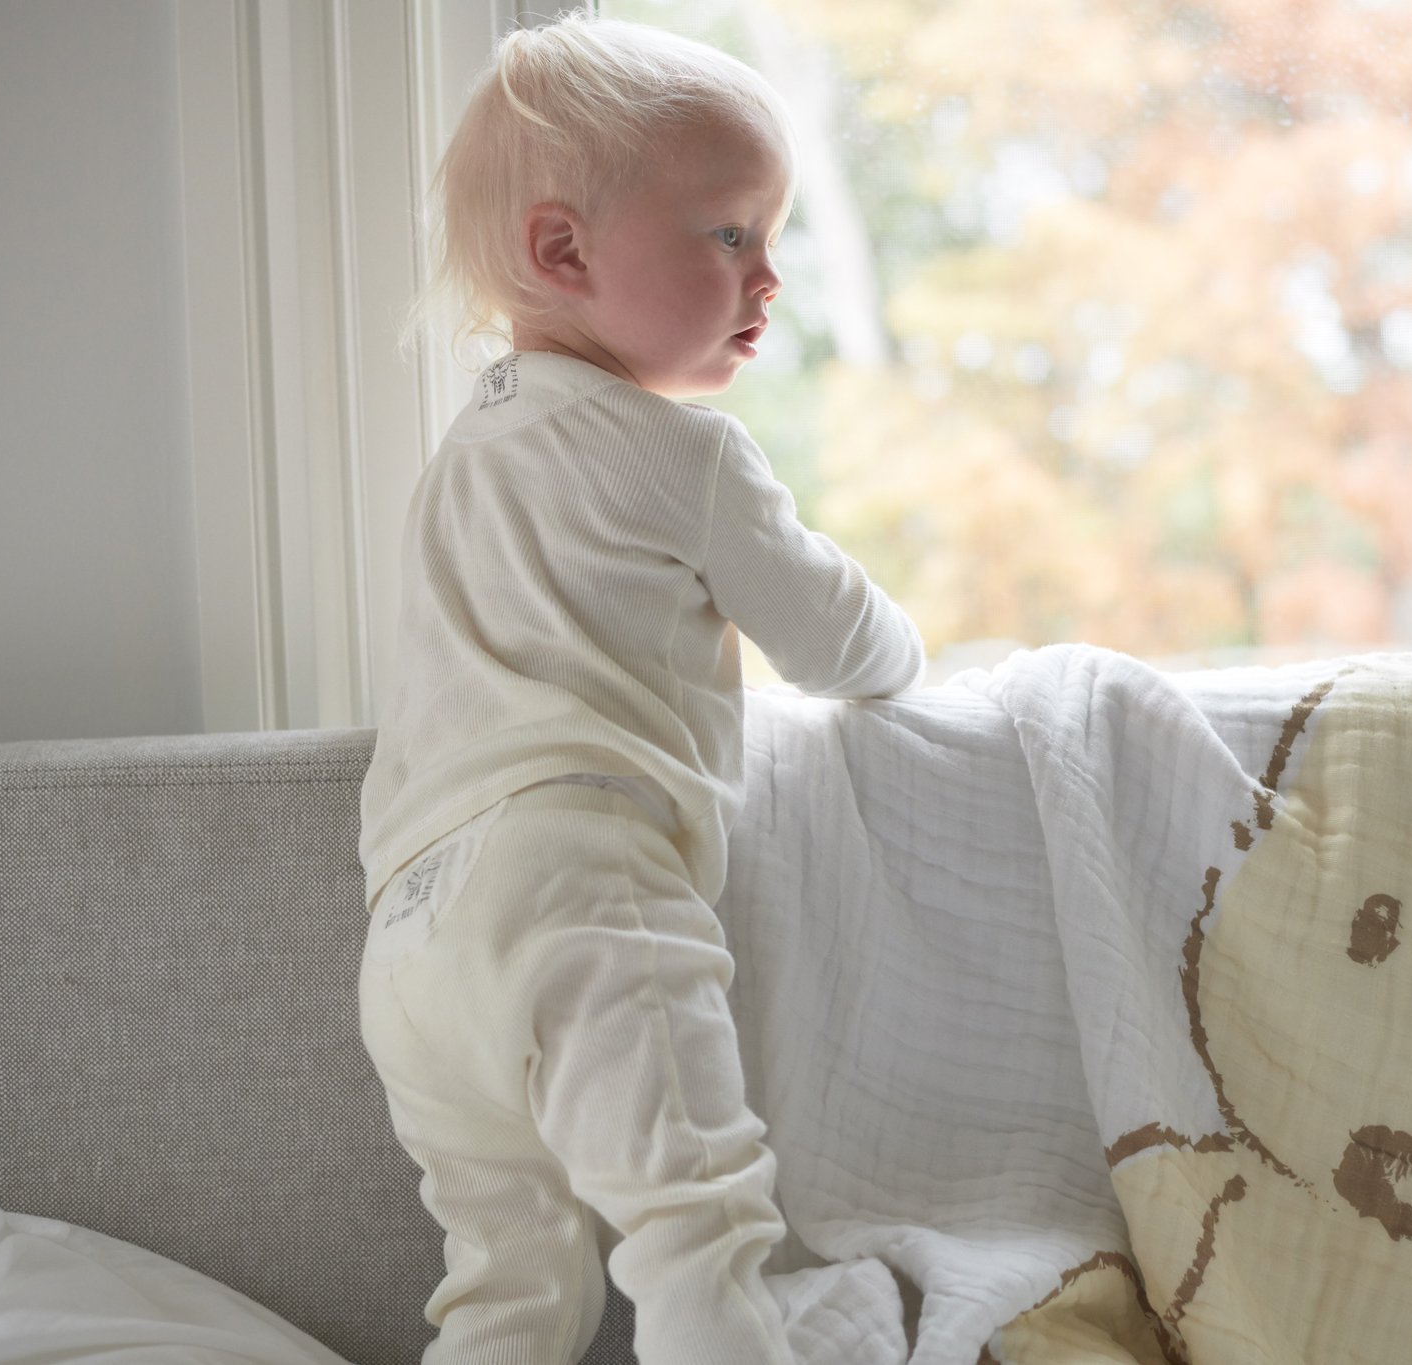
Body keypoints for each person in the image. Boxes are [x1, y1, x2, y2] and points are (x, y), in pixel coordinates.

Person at [355, 15, 925, 1365]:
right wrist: (912, 652)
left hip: (409, 939)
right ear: (562, 252)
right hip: (580, 890)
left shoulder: (470, 452)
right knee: (694, 1228)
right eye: (732, 233)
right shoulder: (685, 458)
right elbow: (843, 643)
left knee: (506, 1281)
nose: (769, 277)